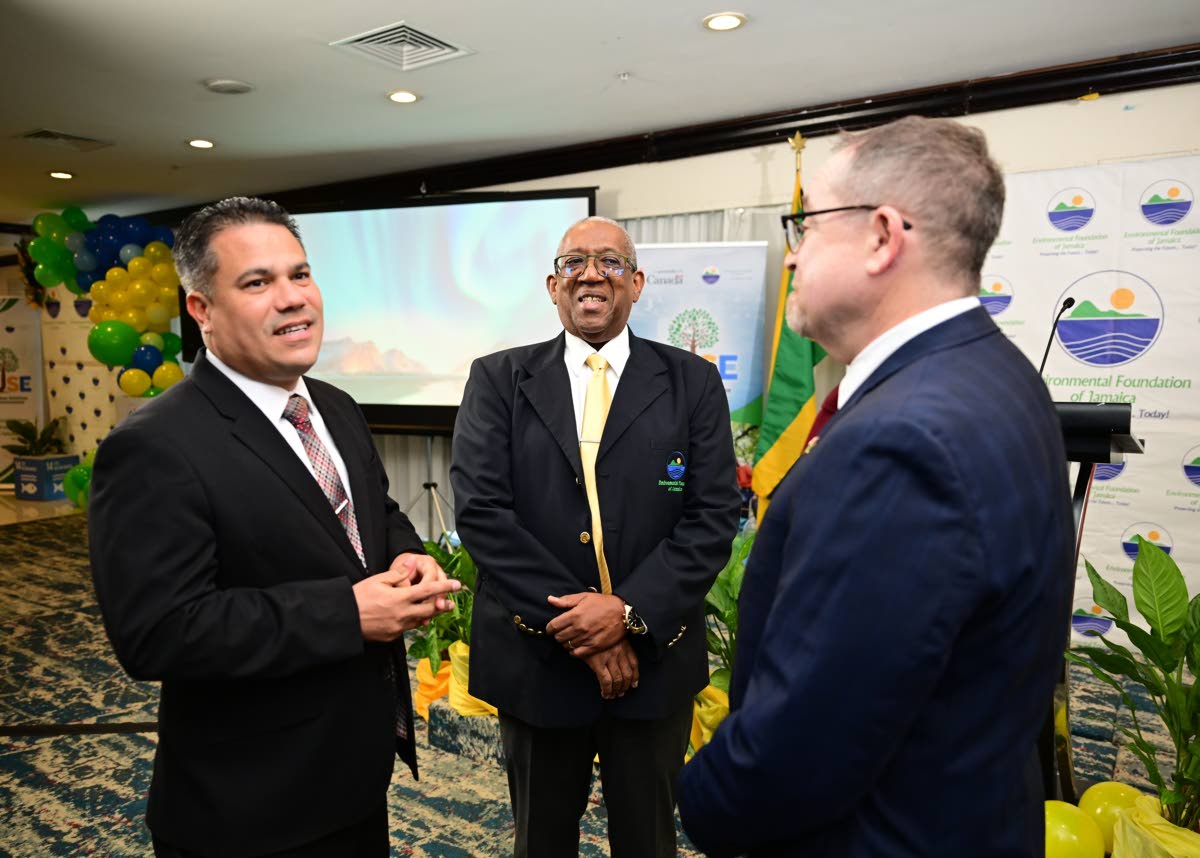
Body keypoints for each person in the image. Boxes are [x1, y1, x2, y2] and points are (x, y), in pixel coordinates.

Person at [677, 117, 1075, 857]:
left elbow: (807, 744)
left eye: (807, 225)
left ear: (883, 236)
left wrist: (697, 797)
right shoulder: (997, 374)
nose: (791, 255)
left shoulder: (902, 440)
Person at [89, 197, 461, 858]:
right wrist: (347, 613)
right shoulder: (156, 446)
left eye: (300, 274)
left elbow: (373, 514)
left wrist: (409, 558)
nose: (293, 299)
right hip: (250, 807)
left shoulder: (335, 406)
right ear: (201, 309)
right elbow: (157, 634)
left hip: (352, 774)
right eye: (257, 283)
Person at [450, 216, 740, 857]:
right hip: (539, 660)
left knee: (648, 839)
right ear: (552, 285)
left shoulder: (693, 382)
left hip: (654, 661)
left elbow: (713, 514)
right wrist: (584, 623)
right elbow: (482, 513)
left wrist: (628, 615)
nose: (590, 273)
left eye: (609, 262)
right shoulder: (498, 379)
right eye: (573, 261)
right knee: (542, 840)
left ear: (636, 284)